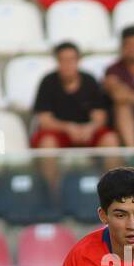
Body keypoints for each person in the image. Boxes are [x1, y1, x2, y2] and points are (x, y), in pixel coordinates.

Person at [31, 42, 120, 189]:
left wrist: (89, 128)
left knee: (110, 140)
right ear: (57, 62)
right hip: (59, 134)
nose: (67, 64)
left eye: (71, 60)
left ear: (78, 61)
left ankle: (113, 193)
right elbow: (44, 120)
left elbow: (100, 117)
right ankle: (51, 196)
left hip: (87, 133)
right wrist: (68, 128)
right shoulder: (48, 82)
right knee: (47, 144)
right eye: (63, 60)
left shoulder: (89, 81)